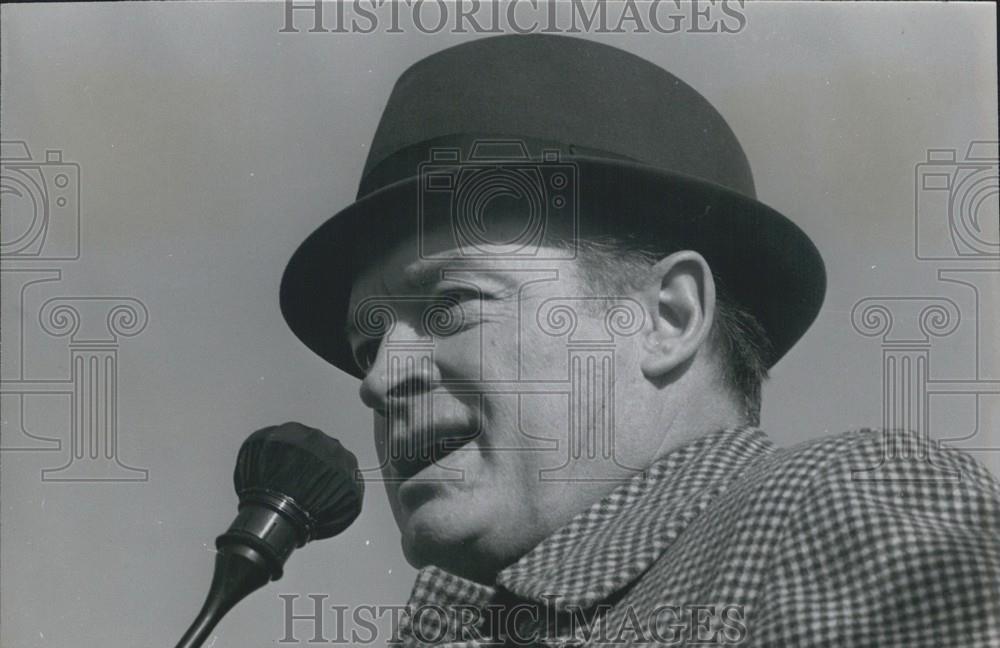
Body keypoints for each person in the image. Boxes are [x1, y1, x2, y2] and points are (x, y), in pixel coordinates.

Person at [279, 34, 1000, 647]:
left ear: (668, 318)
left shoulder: (826, 511)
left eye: (454, 302)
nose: (377, 379)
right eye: (367, 344)